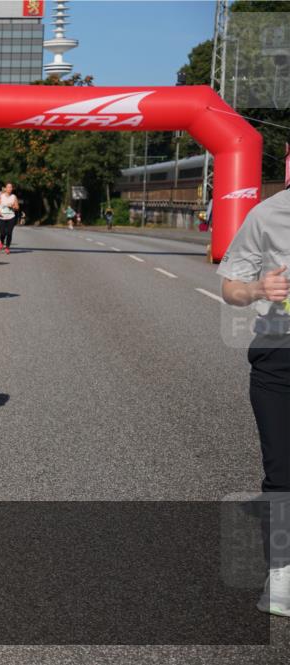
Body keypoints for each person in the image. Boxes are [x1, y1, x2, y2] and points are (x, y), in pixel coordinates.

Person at [217, 188, 290, 617]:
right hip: (280, 358)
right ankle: (282, 572)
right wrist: (260, 287)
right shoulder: (266, 215)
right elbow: (231, 288)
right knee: (282, 468)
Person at [0, 182, 19, 255]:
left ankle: (7, 247)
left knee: (9, 233)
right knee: (2, 233)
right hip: (1, 217)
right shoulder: (1, 196)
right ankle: (2, 242)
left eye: (11, 187)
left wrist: (12, 207)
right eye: (8, 187)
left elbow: (17, 207)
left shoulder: (14, 197)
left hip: (11, 217)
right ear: (5, 188)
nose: (9, 189)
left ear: (12, 188)